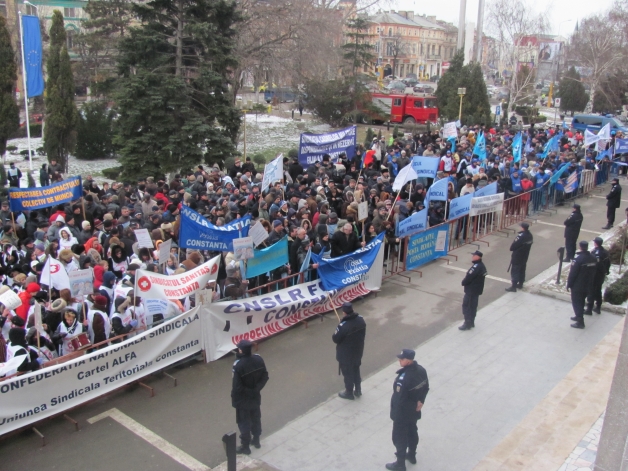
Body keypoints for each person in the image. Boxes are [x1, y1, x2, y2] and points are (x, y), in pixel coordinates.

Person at [386, 348, 430, 471]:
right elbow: (426, 387)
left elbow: (399, 398)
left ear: (409, 360)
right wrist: (421, 401)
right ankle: (411, 454)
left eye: (402, 359)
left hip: (403, 412)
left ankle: (400, 463)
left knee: (399, 436)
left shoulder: (404, 378)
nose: (399, 360)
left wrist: (395, 414)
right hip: (414, 410)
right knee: (412, 431)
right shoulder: (421, 370)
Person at [231, 339, 269, 455]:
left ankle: (245, 446)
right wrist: (256, 389)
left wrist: (249, 391)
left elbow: (238, 387)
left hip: (242, 400)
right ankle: (256, 440)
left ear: (241, 350)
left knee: (244, 422)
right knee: (256, 418)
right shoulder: (258, 359)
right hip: (255, 397)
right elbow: (265, 376)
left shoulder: (238, 365)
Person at [332, 301, 366, 400]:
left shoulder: (343, 326)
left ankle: (349, 392)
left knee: (347, 373)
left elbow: (335, 338)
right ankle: (358, 389)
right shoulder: (361, 320)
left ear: (344, 312)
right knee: (356, 370)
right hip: (358, 351)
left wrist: (341, 324)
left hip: (346, 354)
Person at [567, 241, 597, 329]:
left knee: (577, 303)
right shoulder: (593, 258)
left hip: (578, 285)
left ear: (580, 247)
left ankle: (580, 321)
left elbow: (573, 273)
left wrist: (569, 284)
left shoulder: (579, 259)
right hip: (588, 284)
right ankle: (578, 316)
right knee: (582, 300)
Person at [459, 250, 487, 331]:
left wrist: (463, 282)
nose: (472, 257)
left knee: (467, 306)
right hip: (476, 290)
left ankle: (467, 323)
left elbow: (469, 278)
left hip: (471, 290)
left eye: (474, 255)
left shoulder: (476, 267)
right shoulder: (482, 266)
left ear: (477, 257)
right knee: (473, 306)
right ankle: (471, 322)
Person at [505, 222, 533, 292]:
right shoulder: (530, 235)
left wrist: (512, 248)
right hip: (525, 256)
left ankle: (513, 286)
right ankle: (520, 283)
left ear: (523, 228)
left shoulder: (521, 236)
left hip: (518, 256)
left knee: (515, 271)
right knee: (522, 269)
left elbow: (514, 246)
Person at [586, 237, 610, 315]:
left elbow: (594, 264)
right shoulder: (605, 252)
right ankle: (598, 307)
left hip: (595, 275)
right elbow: (608, 262)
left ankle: (589, 309)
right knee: (598, 290)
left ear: (596, 243)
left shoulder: (596, 253)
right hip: (601, 275)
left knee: (591, 291)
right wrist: (606, 271)